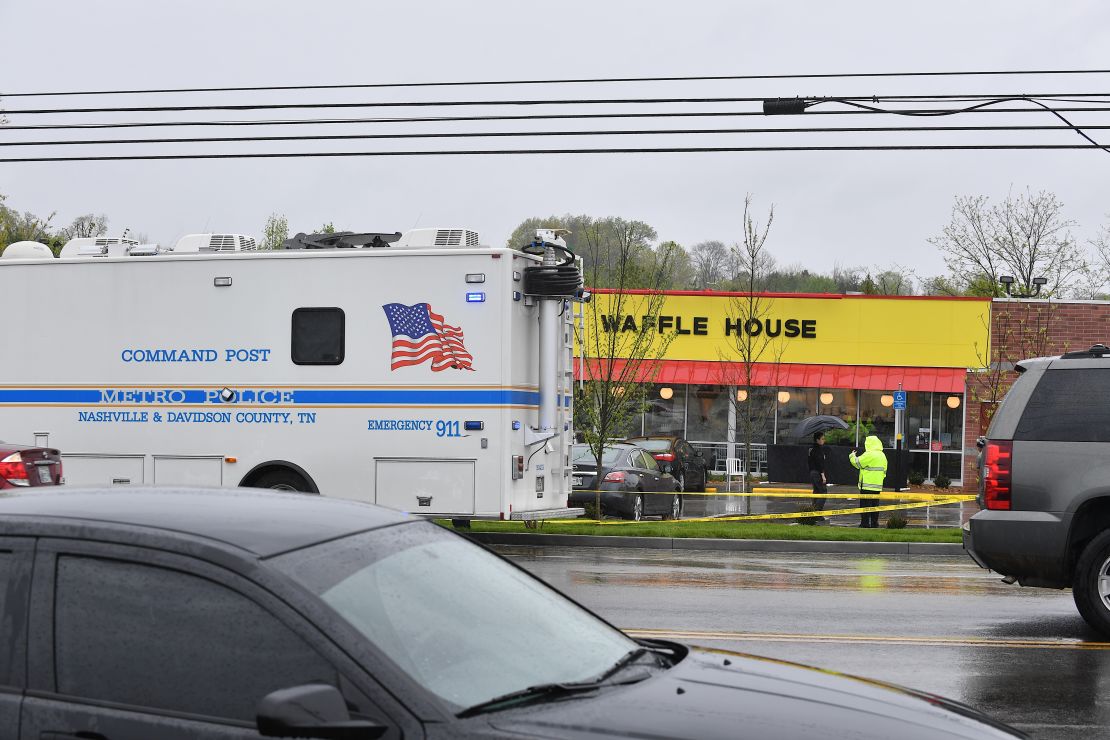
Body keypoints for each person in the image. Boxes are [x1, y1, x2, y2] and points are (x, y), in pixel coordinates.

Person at [849, 434, 888, 528]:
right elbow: (884, 471)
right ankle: (875, 523)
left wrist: (852, 455)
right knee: (875, 506)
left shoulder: (869, 454)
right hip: (877, 485)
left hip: (866, 485)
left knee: (865, 506)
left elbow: (857, 463)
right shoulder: (882, 455)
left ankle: (865, 524)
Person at [807, 432, 828, 522]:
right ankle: (817, 513)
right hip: (817, 473)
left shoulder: (811, 449)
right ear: (817, 440)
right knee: (823, 492)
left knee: (816, 492)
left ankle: (813, 512)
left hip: (812, 472)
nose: (824, 440)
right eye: (822, 439)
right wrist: (823, 475)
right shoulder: (818, 450)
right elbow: (819, 464)